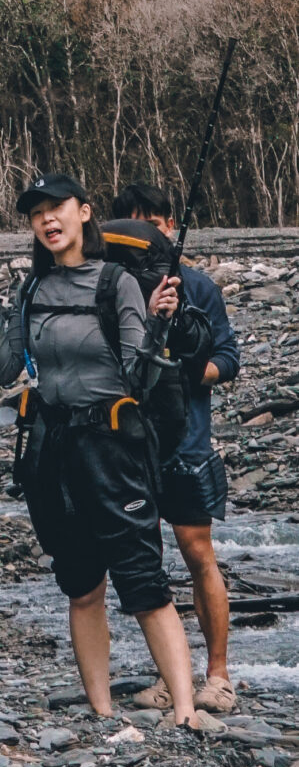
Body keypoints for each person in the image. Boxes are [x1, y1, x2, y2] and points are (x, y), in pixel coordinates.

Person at [0, 174, 200, 727]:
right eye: (37, 213)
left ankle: (186, 710)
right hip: (51, 451)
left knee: (144, 583)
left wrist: (157, 322)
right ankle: (101, 712)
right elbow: (5, 368)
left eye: (58, 207)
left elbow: (139, 378)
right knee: (81, 585)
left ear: (85, 211)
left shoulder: (116, 283)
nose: (48, 219)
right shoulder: (31, 289)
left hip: (112, 450)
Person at [108, 181, 242, 715]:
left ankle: (218, 675)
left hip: (185, 441)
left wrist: (186, 371)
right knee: (147, 560)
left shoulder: (198, 286)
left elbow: (227, 358)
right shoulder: (112, 284)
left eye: (157, 224)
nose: (150, 234)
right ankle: (173, 676)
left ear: (171, 226)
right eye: (136, 225)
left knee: (197, 551)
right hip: (129, 442)